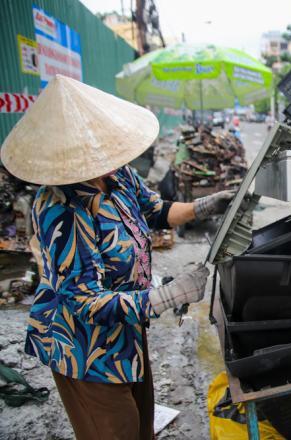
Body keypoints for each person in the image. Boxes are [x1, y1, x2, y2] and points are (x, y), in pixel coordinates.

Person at [0, 75, 233, 440]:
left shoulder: (116, 176)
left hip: (126, 333)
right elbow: (85, 302)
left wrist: (207, 204)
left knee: (142, 426)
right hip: (85, 348)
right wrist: (169, 296)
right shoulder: (61, 208)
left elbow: (156, 210)